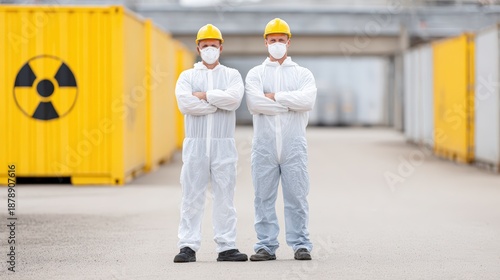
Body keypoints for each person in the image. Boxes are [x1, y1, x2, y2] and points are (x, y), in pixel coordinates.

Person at [173, 24, 247, 263]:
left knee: (224, 195)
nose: (209, 49)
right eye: (205, 46)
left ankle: (227, 247)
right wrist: (218, 100)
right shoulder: (187, 76)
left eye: (213, 45)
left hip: (223, 146)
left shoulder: (232, 75)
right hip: (195, 146)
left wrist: (204, 95)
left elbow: (234, 100)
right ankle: (187, 246)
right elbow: (185, 105)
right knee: (191, 195)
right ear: (198, 47)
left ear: (221, 47)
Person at [245, 18, 317, 261]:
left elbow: (307, 101)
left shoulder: (302, 74)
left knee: (297, 196)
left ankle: (301, 244)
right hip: (264, 146)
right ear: (265, 42)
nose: (277, 44)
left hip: (293, 145)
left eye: (281, 40)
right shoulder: (256, 73)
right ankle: (265, 245)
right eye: (272, 40)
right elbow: (254, 104)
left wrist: (274, 97)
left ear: (289, 41)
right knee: (263, 197)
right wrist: (288, 103)